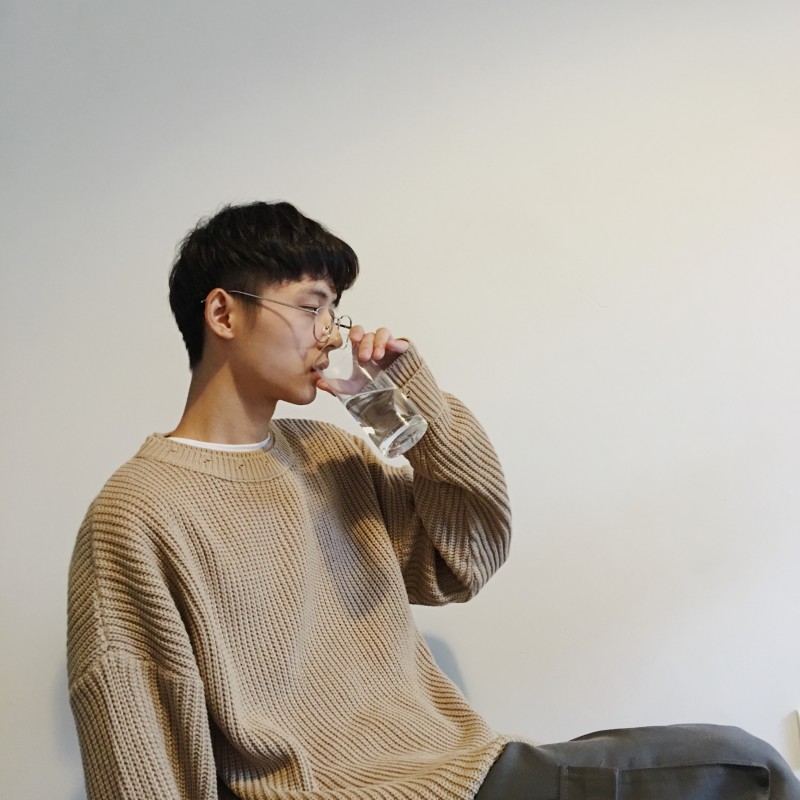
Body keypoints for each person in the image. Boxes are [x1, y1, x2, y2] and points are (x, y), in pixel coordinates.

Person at [67, 201, 800, 800]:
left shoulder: (328, 456)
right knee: (746, 773)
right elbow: (136, 737)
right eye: (312, 307)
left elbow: (465, 557)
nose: (331, 337)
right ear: (224, 315)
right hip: (356, 789)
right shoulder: (139, 512)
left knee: (741, 767)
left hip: (452, 767)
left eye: (335, 312)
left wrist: (406, 404)